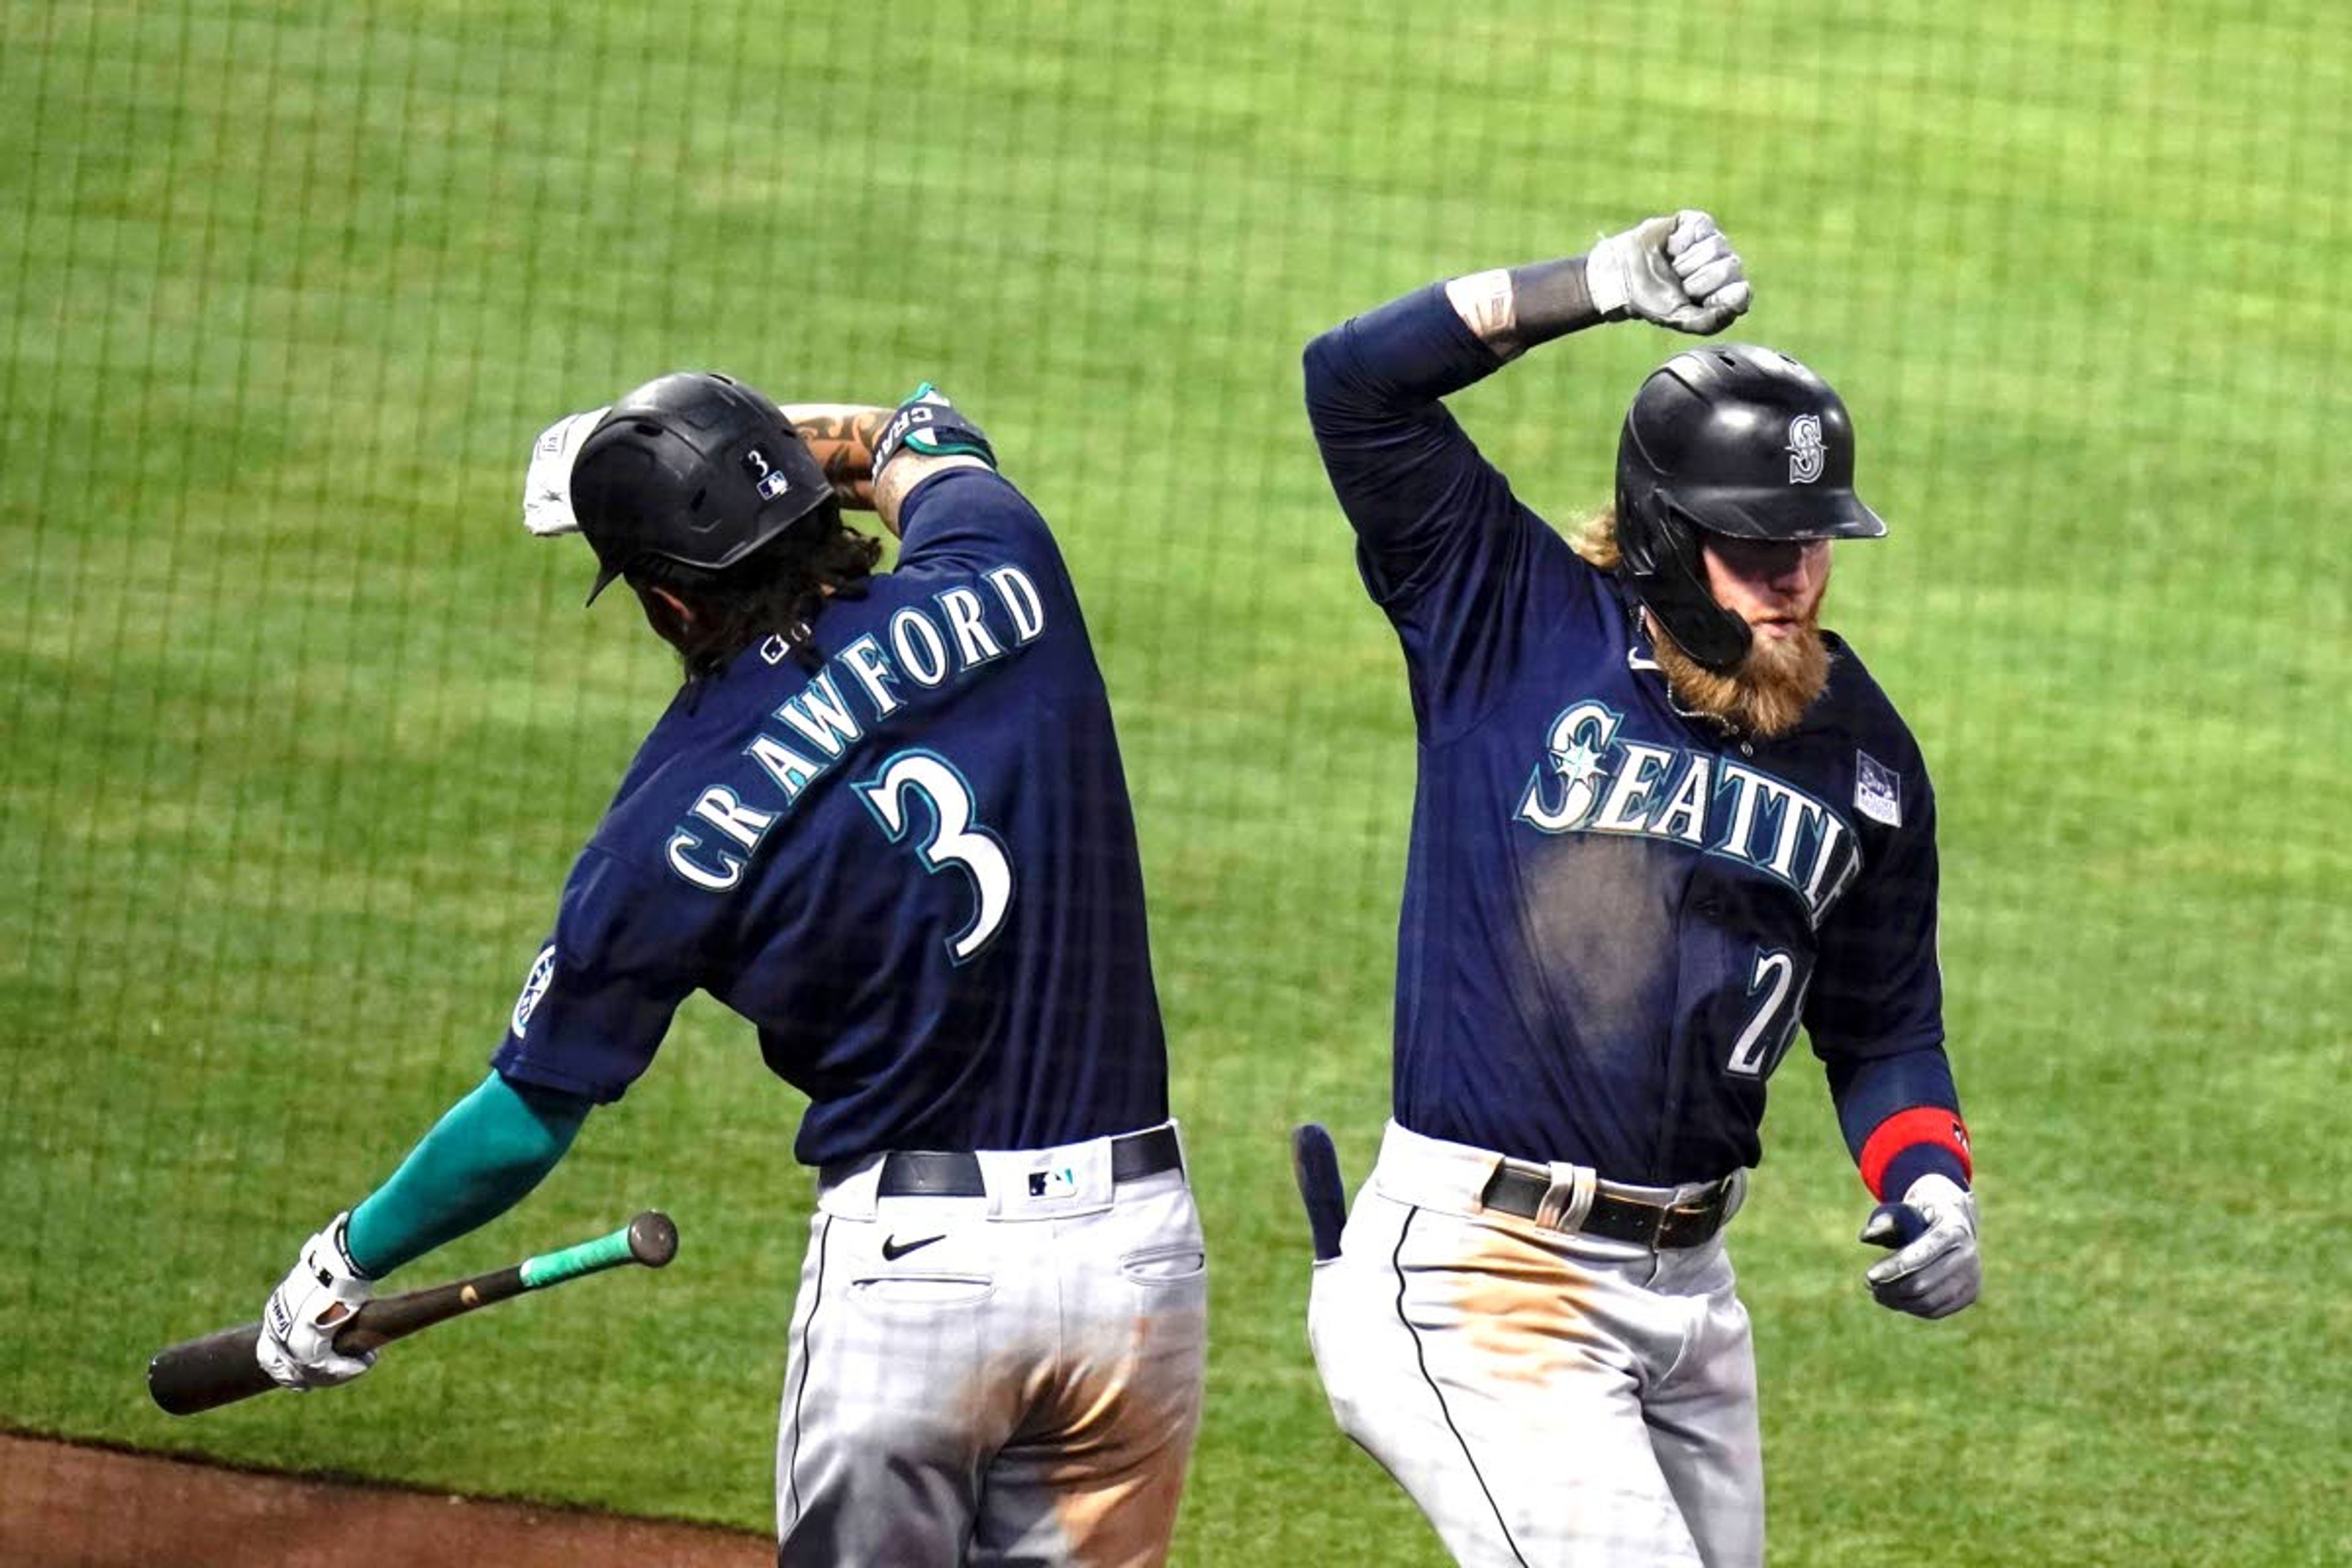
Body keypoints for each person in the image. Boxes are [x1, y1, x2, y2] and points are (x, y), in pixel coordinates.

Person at [254, 374, 1208, 1567]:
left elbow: (525, 1115)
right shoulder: (1000, 564)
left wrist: (347, 1258)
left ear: (664, 602)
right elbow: (922, 424)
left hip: (921, 1290)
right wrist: (773, 455)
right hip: (1140, 1265)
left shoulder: (660, 826)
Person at [1295, 210, 1981, 1567]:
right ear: (1667, 534)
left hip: (1689, 1301)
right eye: (1756, 543)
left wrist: (1935, 1180)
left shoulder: (1867, 752)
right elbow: (1352, 378)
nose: (1794, 575)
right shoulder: (1507, 618)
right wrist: (1595, 286)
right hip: (1486, 1275)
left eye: (1813, 539)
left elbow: (1886, 1024)